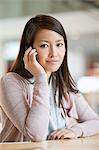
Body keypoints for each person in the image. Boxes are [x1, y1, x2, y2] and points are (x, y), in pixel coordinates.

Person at [0, 14, 99, 142]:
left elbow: (96, 122)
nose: (54, 53)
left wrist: (75, 131)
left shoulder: (63, 86)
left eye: (59, 44)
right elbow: (36, 135)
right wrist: (40, 77)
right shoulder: (10, 82)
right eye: (44, 46)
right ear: (29, 49)